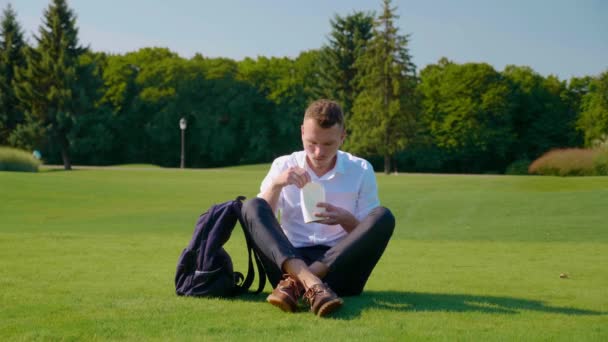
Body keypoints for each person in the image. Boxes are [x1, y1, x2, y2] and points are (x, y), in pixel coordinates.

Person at [241, 99, 395, 317]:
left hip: (339, 269)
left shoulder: (360, 169)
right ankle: (310, 282)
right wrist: (277, 184)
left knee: (383, 216)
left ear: (343, 137)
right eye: (311, 142)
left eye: (328, 144)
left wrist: (345, 219)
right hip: (288, 261)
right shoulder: (282, 165)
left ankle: (300, 283)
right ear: (302, 132)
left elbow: (367, 236)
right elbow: (263, 222)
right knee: (252, 205)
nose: (318, 152)